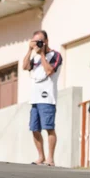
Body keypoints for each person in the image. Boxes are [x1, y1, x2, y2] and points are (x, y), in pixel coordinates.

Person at [22, 30, 62, 167]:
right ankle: (41, 156)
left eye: (40, 41)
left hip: (47, 98)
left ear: (46, 41)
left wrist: (43, 54)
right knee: (34, 128)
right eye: (35, 42)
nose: (38, 44)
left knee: (49, 127)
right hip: (34, 98)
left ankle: (50, 159)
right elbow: (25, 66)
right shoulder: (35, 57)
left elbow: (49, 71)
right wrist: (29, 50)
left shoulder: (55, 55)